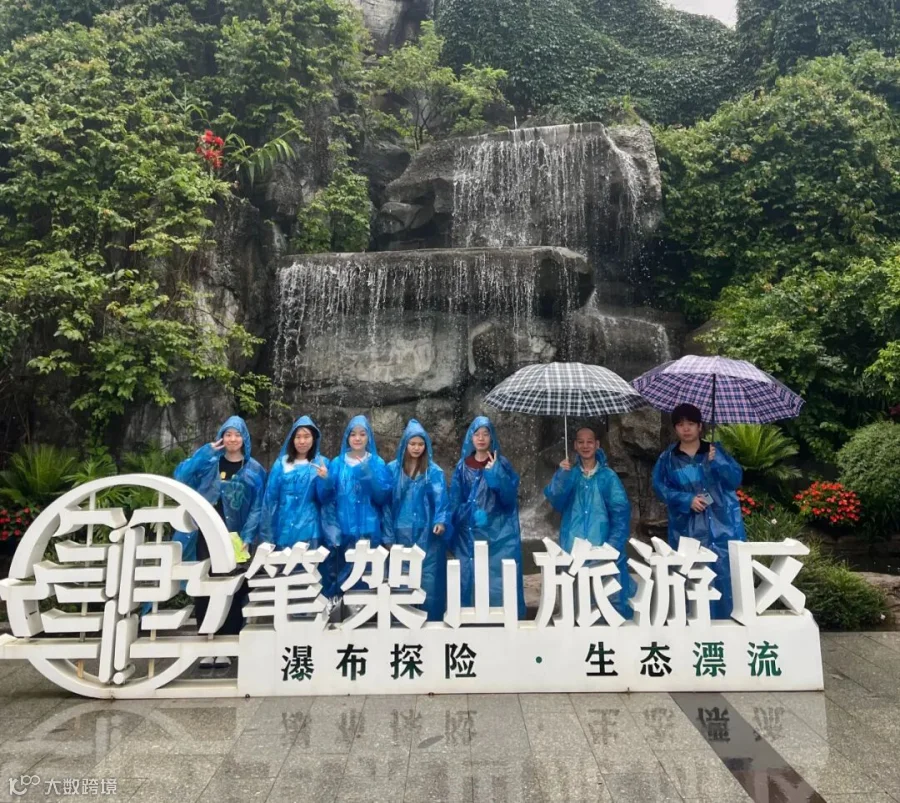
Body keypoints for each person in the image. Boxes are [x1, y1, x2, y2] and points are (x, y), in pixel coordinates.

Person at [172, 415, 266, 667]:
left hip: (235, 537)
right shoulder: (209, 462)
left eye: (237, 434)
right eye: (228, 434)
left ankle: (228, 641)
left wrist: (248, 536)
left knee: (233, 587)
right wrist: (205, 453)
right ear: (222, 437)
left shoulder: (254, 469)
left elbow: (258, 506)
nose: (232, 439)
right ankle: (207, 640)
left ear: (244, 438)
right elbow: (180, 477)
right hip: (205, 534)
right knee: (204, 584)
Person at [651, 402, 745, 619]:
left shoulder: (715, 452)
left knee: (724, 575)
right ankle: (693, 626)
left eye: (691, 423)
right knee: (691, 576)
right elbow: (660, 487)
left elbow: (735, 480)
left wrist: (718, 461)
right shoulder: (668, 459)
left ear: (700, 426)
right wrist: (686, 499)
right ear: (675, 428)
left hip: (722, 525)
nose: (686, 429)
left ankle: (726, 625)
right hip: (686, 528)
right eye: (680, 424)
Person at [544, 426, 634, 618]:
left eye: (589, 442)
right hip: (573, 547)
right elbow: (556, 500)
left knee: (606, 604)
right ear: (575, 445)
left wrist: (612, 545)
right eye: (581, 442)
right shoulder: (569, 473)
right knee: (575, 606)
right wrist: (561, 476)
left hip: (602, 547)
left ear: (597, 444)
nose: (585, 446)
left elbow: (620, 513)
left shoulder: (608, 477)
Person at [449, 415, 525, 618]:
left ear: (492, 438)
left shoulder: (501, 463)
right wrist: (468, 514)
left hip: (498, 534)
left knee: (497, 578)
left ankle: (501, 619)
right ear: (471, 438)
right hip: (469, 533)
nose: (481, 438)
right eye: (477, 434)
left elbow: (509, 498)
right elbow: (455, 500)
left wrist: (494, 474)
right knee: (469, 578)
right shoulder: (463, 466)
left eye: (485, 434)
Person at [383, 419, 451, 621]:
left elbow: (441, 499)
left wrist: (440, 521)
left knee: (429, 579)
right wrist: (388, 536)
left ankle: (431, 621)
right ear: (405, 445)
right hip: (400, 532)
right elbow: (386, 505)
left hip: (427, 534)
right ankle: (402, 621)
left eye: (420, 444)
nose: (416, 448)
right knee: (401, 578)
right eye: (412, 444)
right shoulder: (392, 470)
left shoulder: (433, 471)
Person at [327, 414, 392, 592]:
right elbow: (329, 499)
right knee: (344, 580)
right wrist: (332, 529)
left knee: (369, 580)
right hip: (344, 531)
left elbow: (383, 498)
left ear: (369, 437)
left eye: (362, 434)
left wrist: (369, 475)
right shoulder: (337, 463)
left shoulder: (377, 462)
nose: (358, 438)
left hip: (370, 530)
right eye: (353, 434)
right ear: (347, 437)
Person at [260, 415, 333, 550]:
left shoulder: (321, 463)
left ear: (314, 438)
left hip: (310, 528)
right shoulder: (281, 463)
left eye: (306, 436)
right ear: (292, 439)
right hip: (284, 527)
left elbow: (326, 500)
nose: (302, 441)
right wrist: (267, 534)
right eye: (298, 437)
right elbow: (270, 499)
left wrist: (326, 480)